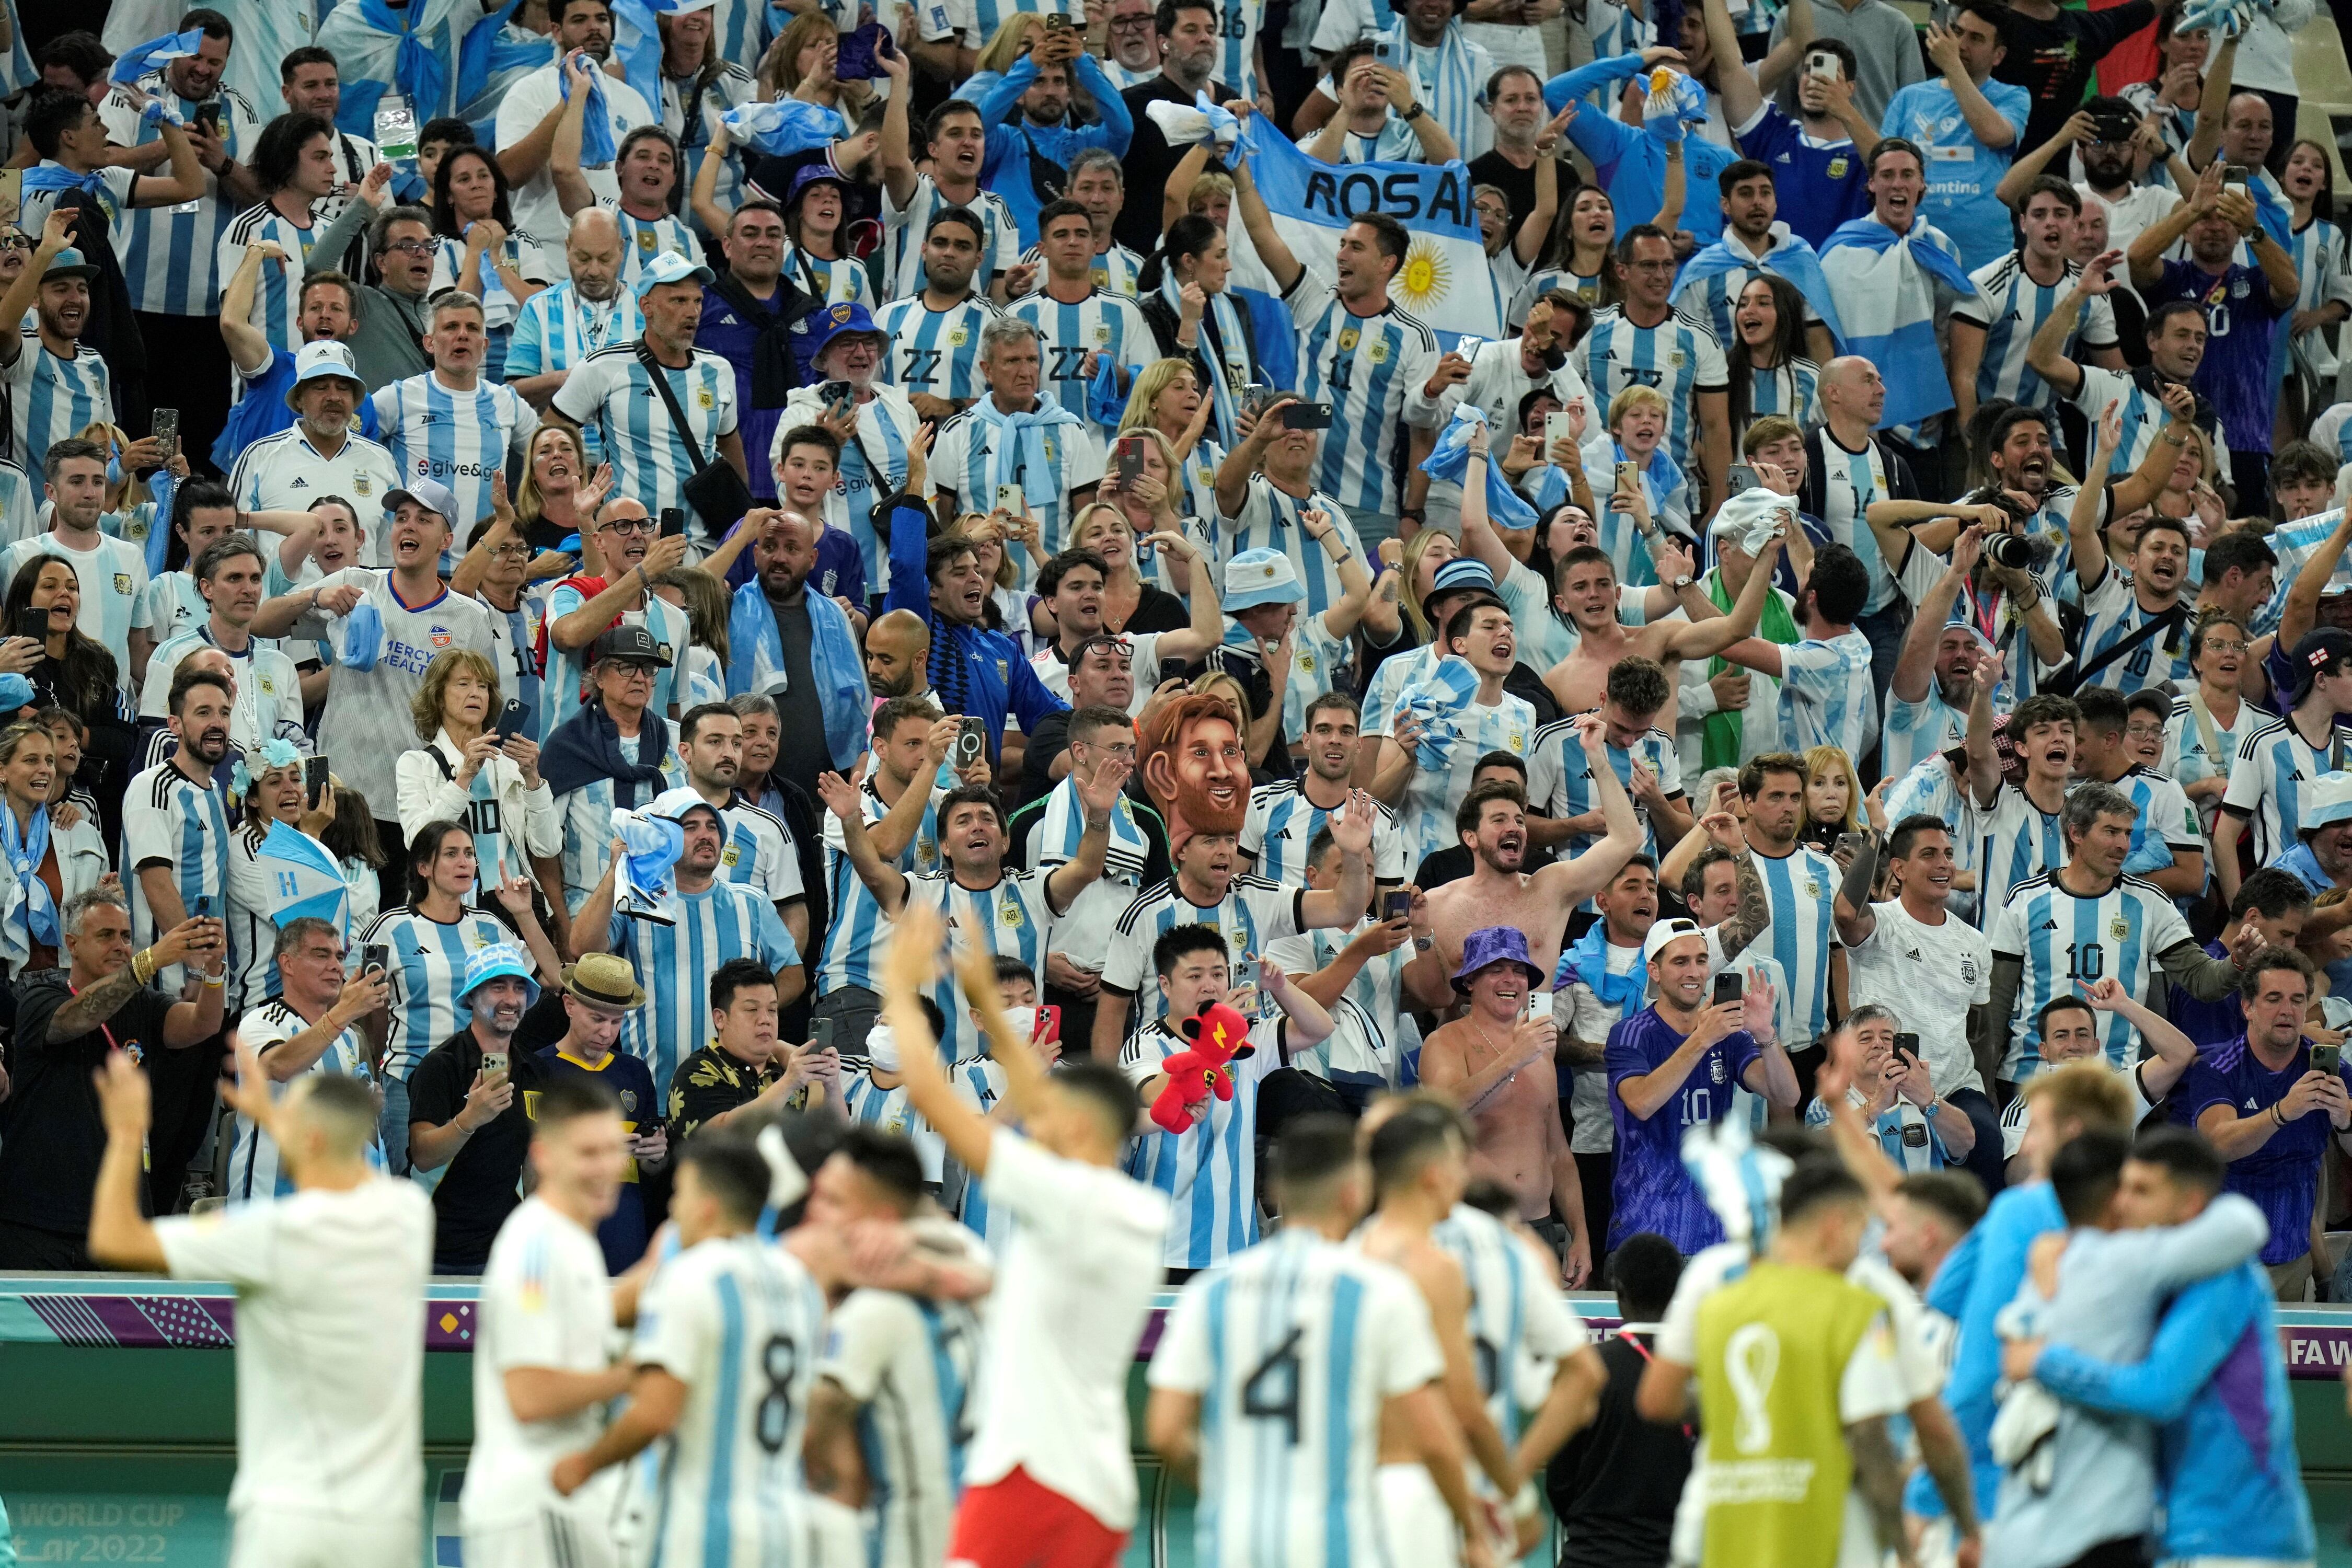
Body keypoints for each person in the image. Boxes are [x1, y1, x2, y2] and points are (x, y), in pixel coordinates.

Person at [877, 901, 1170, 1568]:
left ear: (1082, 1128)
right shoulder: (1119, 1208)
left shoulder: (1075, 1196)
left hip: (1037, 1473)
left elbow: (934, 1099)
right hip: (1084, 1482)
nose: (1038, 1117)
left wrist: (899, 986)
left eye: (1053, 1112)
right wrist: (980, 989)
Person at [85, 1033, 431, 1568]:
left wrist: (129, 1130)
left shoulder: (269, 1235)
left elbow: (114, 1239)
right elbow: (342, 1157)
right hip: (384, 1521)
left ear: (309, 1140)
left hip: (288, 1518)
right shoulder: (408, 1215)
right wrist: (279, 1115)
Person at [1146, 1113, 1486, 1568]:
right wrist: (1474, 1529)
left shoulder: (1209, 1292)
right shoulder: (1377, 1291)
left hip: (1236, 1539)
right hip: (1338, 1541)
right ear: (1354, 1193)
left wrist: (1225, 1485)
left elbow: (1166, 1431)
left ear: (1280, 1191)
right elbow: (1434, 1437)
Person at [2009, 1128, 2319, 1568]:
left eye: (2142, 1191)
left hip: (2241, 1542)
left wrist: (2043, 1361)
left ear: (2189, 1203)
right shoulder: (2160, 1277)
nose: (2122, 1202)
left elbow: (2159, 1392)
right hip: (2188, 1535)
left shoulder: (2222, 1280)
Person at [547, 1127, 831, 1563]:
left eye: (680, 1194)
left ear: (708, 1207)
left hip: (701, 1532)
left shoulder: (692, 1276)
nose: (674, 1207)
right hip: (784, 1527)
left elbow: (655, 1413)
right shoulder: (801, 1282)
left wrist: (583, 1465)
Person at [1634, 1157, 1915, 1568]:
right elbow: (1871, 1435)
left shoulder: (1718, 1304)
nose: (1865, 1247)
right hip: (1817, 1533)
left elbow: (1658, 1401)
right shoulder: (1858, 1307)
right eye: (1861, 1229)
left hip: (1722, 1530)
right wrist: (1904, 1547)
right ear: (1834, 1226)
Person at [250, 478, 501, 879]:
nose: (408, 526)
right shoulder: (357, 583)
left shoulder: (470, 619)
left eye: (423, 519)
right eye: (401, 517)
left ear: (446, 538)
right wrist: (316, 598)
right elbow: (260, 623)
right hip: (338, 797)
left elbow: (481, 718)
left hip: (419, 806)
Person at [462, 1075, 635, 1566]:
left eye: (611, 1150)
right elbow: (530, 1395)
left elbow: (589, 1319)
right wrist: (633, 1375)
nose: (605, 1168)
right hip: (537, 1504)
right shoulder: (536, 1246)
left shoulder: (570, 1240)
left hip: (551, 1501)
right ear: (544, 1157)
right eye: (587, 1153)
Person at [800, 1124, 991, 1568]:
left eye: (833, 1202)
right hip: (971, 1535)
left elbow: (819, 1431)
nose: (814, 1214)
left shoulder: (875, 1311)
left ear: (883, 1220)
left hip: (907, 1547)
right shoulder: (965, 1261)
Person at [0, 889, 223, 1267]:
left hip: (118, 1220)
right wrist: (150, 961)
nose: (120, 945)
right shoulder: (40, 997)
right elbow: (77, 1018)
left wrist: (213, 972)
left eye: (125, 935)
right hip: (39, 1220)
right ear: (71, 945)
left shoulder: (145, 1004)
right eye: (105, 935)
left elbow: (203, 1024)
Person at [1986, 781, 2246, 1092]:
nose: (2123, 844)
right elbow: (1997, 1002)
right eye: (2111, 832)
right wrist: (1984, 1080)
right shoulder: (2025, 899)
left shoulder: (2150, 902)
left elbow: (2202, 980)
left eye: (2127, 833)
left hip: (2116, 1084)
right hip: (2029, 1080)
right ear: (2076, 834)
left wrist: (2237, 963)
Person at [1121, 923, 1333, 1273]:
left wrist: (1280, 987)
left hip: (1235, 1244)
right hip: (1160, 1246)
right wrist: (1216, 1039)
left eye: (1218, 974)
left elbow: (1319, 1028)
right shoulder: (1144, 1045)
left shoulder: (1248, 1040)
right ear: (1165, 986)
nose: (1209, 985)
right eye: (1194, 976)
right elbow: (1157, 1097)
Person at [574, 787, 803, 1104]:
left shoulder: (751, 902)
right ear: (660, 837)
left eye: (712, 826)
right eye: (689, 827)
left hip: (737, 1100)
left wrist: (756, 1010)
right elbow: (583, 949)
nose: (705, 835)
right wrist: (616, 872)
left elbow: (793, 972)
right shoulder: (637, 901)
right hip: (650, 1090)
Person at [360, 821, 556, 1175]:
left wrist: (524, 913)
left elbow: (553, 977)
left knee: (478, 1187)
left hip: (484, 1079)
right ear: (423, 867)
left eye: (469, 854)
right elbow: (354, 998)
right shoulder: (390, 926)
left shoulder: (491, 927)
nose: (464, 862)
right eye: (451, 854)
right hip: (410, 1077)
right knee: (415, 1196)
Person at [1605, 914, 1798, 1253]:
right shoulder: (1630, 1034)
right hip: (1646, 1227)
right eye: (1680, 962)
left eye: (1701, 960)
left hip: (1714, 1232)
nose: (1694, 972)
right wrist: (1701, 1039)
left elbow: (1787, 1094)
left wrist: (1766, 1034)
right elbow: (1642, 1102)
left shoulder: (1729, 1037)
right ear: (1655, 971)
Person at [1834, 812, 2003, 1193]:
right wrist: (1876, 831)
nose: (1944, 864)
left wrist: (1986, 1092)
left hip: (1954, 1085)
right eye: (1929, 854)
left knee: (1988, 1143)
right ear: (1899, 868)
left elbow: (1978, 1027)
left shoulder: (1974, 941)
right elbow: (1846, 912)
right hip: (1883, 1085)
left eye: (1948, 853)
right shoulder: (1880, 924)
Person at [2180, 946, 2352, 1299]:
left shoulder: (2331, 1071)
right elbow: (2218, 1145)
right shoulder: (2218, 1069)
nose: (2287, 1010)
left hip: (2294, 1259)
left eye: (2297, 1000)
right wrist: (2282, 1112)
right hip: (2222, 1262)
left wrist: (2345, 1120)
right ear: (2248, 1007)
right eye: (2273, 998)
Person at [1421, 925, 1589, 1284]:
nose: (1510, 980)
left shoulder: (1541, 1051)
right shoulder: (1447, 1042)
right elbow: (1443, 1111)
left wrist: (1580, 1234)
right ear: (1469, 982)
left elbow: (1558, 1153)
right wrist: (1513, 1058)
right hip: (1471, 1232)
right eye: (1496, 970)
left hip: (1539, 1229)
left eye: (1519, 971)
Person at [2127, 159, 2299, 505]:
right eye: (2206, 219)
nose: (2215, 226)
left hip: (2243, 438)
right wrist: (2192, 210)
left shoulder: (2254, 283)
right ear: (2189, 231)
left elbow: (2290, 287)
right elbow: (2137, 258)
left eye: (2226, 219)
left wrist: (2254, 228)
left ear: (2238, 232)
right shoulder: (2172, 279)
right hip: (2172, 436)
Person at [552, 251, 747, 527]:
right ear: (647, 306)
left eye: (697, 301)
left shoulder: (719, 371)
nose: (692, 312)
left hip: (704, 545)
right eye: (678, 301)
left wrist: (739, 520)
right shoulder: (603, 367)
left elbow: (729, 444)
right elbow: (550, 432)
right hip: (630, 544)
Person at [1546, 1231, 1692, 1568]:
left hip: (1593, 1556)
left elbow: (1560, 1479)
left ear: (1618, 1290)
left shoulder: (1586, 1370)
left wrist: (1594, 1532)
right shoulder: (1698, 1374)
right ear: (1676, 1292)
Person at [224, 917, 388, 1204]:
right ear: (287, 964)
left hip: (335, 1200)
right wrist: (343, 1013)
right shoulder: (262, 1021)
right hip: (272, 1199)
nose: (336, 967)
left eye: (339, 957)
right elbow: (279, 1066)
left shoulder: (350, 1037)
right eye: (321, 955)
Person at [406, 942, 547, 1273]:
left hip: (506, 1250)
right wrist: (470, 1119)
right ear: (471, 998)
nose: (511, 999)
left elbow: (534, 1159)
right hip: (439, 1249)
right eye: (498, 987)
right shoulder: (440, 1066)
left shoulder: (536, 1069)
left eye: (519, 988)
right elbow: (423, 1157)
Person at [1949, 178, 2124, 425]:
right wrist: (1973, 444)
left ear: (2074, 224)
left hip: (2046, 429)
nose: (2050, 222)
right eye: (2039, 215)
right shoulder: (1986, 283)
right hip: (1987, 427)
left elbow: (2115, 376)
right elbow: (1963, 376)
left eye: (2060, 214)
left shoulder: (2090, 289)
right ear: (2023, 223)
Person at [493, 0, 660, 257]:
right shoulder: (528, 92)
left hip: (617, 253)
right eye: (580, 20)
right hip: (546, 253)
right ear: (557, 32)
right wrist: (569, 101)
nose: (594, 28)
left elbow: (653, 184)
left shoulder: (632, 100)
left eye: (602, 19)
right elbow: (509, 175)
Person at [531, 954, 663, 1275]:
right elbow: (529, 1165)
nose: (607, 1033)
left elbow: (652, 1169)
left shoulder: (635, 1073)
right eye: (597, 1019)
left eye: (616, 1022)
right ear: (569, 1005)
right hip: (560, 1232)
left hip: (626, 1230)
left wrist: (657, 1155)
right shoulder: (537, 1070)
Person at [123, 664, 235, 995]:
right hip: (167, 987)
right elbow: (157, 885)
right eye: (203, 713)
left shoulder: (215, 790)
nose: (217, 723)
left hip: (209, 984)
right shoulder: (152, 787)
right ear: (175, 726)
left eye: (224, 713)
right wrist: (197, 968)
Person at [137, 535, 304, 755]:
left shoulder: (281, 665)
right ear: (207, 588)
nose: (249, 589)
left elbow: (297, 748)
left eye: (255, 579)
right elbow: (156, 741)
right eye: (235, 578)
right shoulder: (173, 654)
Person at [0, 215, 118, 496]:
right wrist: (44, 252)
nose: (75, 298)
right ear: (35, 300)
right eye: (61, 290)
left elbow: (107, 450)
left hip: (83, 517)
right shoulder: (25, 349)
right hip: (28, 516)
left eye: (82, 289)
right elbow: (4, 326)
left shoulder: (96, 365)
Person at [873, 206, 1005, 424]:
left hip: (965, 452)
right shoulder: (887, 316)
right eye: (940, 243)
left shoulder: (995, 324)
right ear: (924, 250)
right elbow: (866, 391)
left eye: (962, 247)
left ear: (979, 259)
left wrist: (951, 406)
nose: (949, 253)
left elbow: (1012, 403)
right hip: (893, 453)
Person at [509, 210, 643, 417]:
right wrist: (567, 381)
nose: (594, 271)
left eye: (605, 259)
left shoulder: (646, 309)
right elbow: (513, 393)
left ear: (622, 250)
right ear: (567, 248)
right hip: (559, 443)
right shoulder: (539, 308)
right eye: (583, 258)